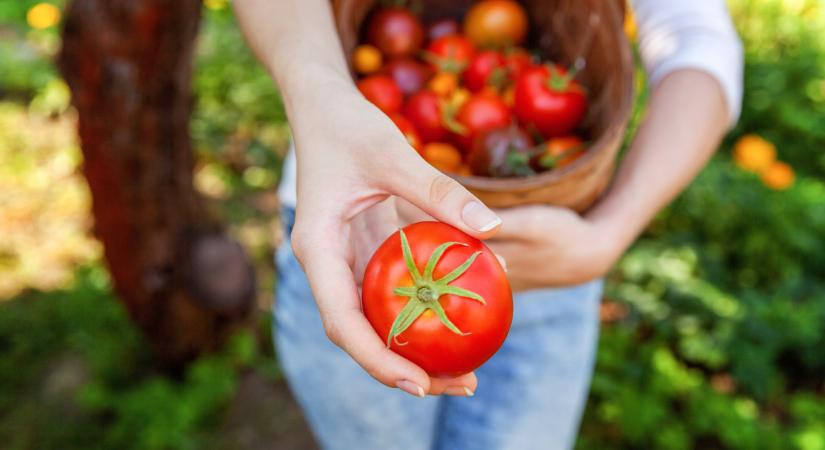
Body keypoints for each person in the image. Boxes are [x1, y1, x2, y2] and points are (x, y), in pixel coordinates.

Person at [234, 0, 743, 448]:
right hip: (348, 246)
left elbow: (698, 39)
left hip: (553, 267)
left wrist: (608, 236)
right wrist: (320, 97)